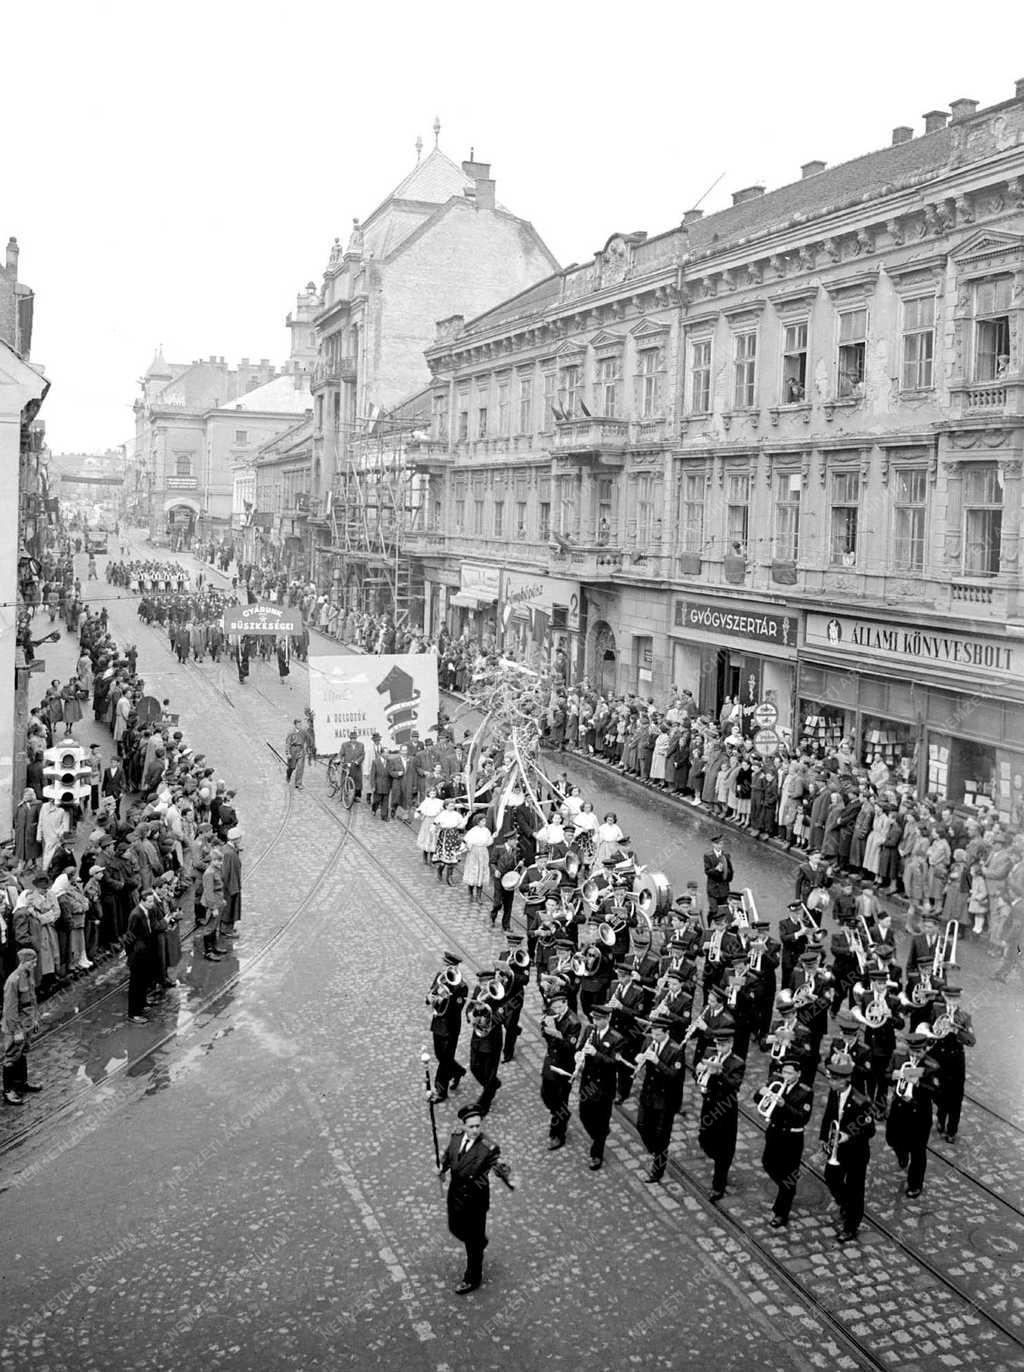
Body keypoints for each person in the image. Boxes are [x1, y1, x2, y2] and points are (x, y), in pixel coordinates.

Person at [438, 1103, 504, 1295]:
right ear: (464, 1126)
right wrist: (441, 1168)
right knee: (455, 1228)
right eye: (471, 1126)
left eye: (478, 1126)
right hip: (456, 1197)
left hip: (475, 1202)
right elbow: (449, 1157)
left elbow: (497, 1164)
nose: (475, 1130)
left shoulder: (488, 1147)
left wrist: (502, 1169)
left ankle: (472, 1277)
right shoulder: (456, 1138)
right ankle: (479, 1242)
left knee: (473, 1244)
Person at [819, 1054, 875, 1243]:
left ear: (845, 1080)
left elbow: (870, 1130)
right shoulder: (834, 1093)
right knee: (831, 1177)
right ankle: (845, 1203)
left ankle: (851, 1226)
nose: (831, 1082)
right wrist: (822, 1137)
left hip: (856, 1152)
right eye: (830, 1078)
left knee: (856, 1190)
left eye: (835, 1080)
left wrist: (849, 1136)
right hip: (837, 1149)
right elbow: (829, 1115)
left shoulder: (861, 1100)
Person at [753, 1056, 813, 1227]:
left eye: (789, 1073)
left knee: (788, 1177)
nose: (785, 1075)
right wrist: (760, 1092)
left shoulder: (805, 1092)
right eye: (784, 1071)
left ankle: (781, 1213)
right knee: (768, 1163)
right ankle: (786, 1190)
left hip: (792, 1138)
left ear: (798, 1074)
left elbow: (802, 1118)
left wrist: (783, 1105)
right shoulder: (775, 1081)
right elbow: (756, 1099)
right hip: (774, 1132)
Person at [636, 1007, 686, 1183]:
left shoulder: (676, 1050)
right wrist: (639, 1059)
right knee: (641, 1125)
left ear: (666, 1032)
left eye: (658, 1034)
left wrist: (657, 1062)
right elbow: (641, 1055)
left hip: (665, 1099)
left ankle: (657, 1169)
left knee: (662, 1136)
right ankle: (655, 1151)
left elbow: (674, 1076)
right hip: (648, 1093)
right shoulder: (649, 1041)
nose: (654, 1037)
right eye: (653, 1033)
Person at [697, 1023, 745, 1199]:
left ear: (731, 1044)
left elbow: (735, 1085)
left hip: (725, 1110)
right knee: (705, 1139)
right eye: (718, 1044)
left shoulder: (737, 1062)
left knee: (724, 1150)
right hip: (709, 1104)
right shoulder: (710, 1053)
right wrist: (699, 1071)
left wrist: (719, 1073)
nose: (719, 1048)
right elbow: (700, 1075)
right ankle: (717, 1159)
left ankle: (718, 1185)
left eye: (723, 1045)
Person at [576, 1004, 622, 1171]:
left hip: (604, 1087)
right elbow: (580, 1047)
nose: (596, 1021)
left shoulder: (617, 1038)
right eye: (594, 1018)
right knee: (584, 1115)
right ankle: (599, 1135)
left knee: (601, 1121)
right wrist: (578, 1055)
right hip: (588, 1083)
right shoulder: (589, 1030)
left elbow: (614, 1064)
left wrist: (597, 1054)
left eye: (600, 1019)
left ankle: (597, 1153)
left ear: (608, 1019)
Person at [539, 988, 580, 1150]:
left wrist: (554, 1031)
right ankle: (561, 1113)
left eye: (558, 1007)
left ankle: (558, 1134)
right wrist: (545, 1026)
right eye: (553, 1007)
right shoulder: (553, 1016)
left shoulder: (574, 1022)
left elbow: (569, 1047)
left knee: (561, 1100)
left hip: (564, 1065)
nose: (555, 1010)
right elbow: (545, 1035)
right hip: (551, 1061)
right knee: (545, 1094)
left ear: (565, 1003)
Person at [1, 950, 42, 1104]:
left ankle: (21, 1083)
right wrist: (16, 1031)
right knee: (11, 1055)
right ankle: (8, 1091)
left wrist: (35, 1019)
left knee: (23, 1051)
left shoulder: (27, 975)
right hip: (15, 1026)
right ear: (23, 961)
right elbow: (10, 1010)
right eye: (32, 962)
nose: (35, 965)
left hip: (27, 1022)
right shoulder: (13, 980)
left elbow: (32, 999)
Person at [703, 834, 734, 909]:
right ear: (713, 844)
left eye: (721, 844)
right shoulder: (708, 856)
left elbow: (730, 871)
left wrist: (725, 871)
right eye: (718, 844)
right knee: (714, 910)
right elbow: (707, 872)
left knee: (724, 909)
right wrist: (716, 869)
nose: (720, 846)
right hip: (713, 888)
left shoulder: (726, 855)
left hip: (724, 888)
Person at [284, 719, 307, 790]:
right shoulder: (291, 732)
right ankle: (288, 775)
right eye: (299, 724)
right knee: (292, 767)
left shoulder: (303, 732)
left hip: (301, 750)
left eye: (301, 724)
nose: (300, 726)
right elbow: (287, 743)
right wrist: (288, 753)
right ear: (295, 725)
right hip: (293, 750)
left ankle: (298, 783)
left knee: (300, 767)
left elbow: (308, 739)